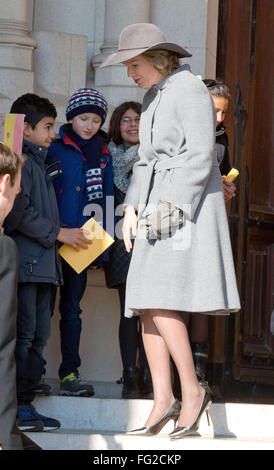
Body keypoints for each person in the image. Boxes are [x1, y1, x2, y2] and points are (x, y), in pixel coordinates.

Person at [101, 23, 240, 439]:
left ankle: (193, 392)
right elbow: (144, 162)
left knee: (161, 298)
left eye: (134, 64)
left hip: (185, 206)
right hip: (155, 204)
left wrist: (169, 209)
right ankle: (164, 399)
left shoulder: (191, 90)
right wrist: (130, 210)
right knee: (144, 300)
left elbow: (200, 158)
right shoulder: (153, 95)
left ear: (158, 58)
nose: (131, 74)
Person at [4, 93, 90, 432]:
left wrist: (63, 233)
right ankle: (18, 407)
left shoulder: (40, 163)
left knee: (38, 336)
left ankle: (26, 403)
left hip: (43, 269)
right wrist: (59, 234)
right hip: (26, 268)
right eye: (47, 128)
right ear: (25, 130)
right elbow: (19, 215)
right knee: (24, 337)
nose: (52, 135)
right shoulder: (20, 163)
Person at [49, 88, 114, 397]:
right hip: (50, 239)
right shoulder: (54, 145)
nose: (90, 125)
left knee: (72, 309)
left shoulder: (103, 152)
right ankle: (31, 372)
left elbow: (106, 199)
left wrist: (101, 247)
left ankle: (69, 373)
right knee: (42, 308)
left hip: (84, 242)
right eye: (84, 118)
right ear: (71, 117)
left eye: (96, 120)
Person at [185, 79, 237, 393]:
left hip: (208, 219)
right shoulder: (182, 129)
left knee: (202, 300)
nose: (219, 119)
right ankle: (160, 376)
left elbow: (224, 169)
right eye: (215, 111)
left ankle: (198, 375)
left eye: (224, 113)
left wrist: (226, 187)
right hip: (181, 218)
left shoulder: (221, 134)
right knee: (176, 299)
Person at [105, 101, 152, 399]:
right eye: (127, 120)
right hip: (121, 243)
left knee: (150, 312)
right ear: (116, 125)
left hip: (150, 240)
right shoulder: (105, 157)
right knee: (128, 312)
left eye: (139, 119)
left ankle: (150, 376)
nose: (133, 124)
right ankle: (129, 375)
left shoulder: (154, 157)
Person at [0, 143, 25, 449]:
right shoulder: (4, 248)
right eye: (17, 189)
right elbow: (2, 349)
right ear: (5, 182)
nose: (17, 197)